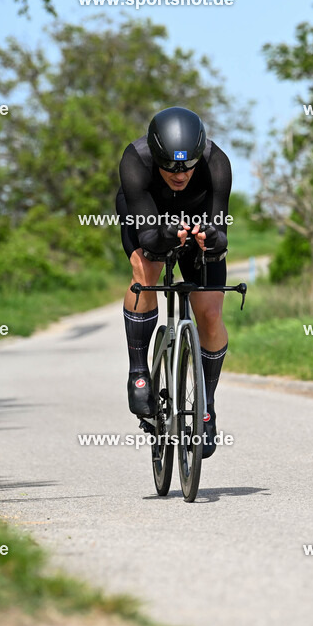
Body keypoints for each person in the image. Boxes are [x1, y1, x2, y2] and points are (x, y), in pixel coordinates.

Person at [116, 106, 231, 458]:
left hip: (197, 218)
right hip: (149, 217)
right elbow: (149, 237)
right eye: (169, 167)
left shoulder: (216, 163)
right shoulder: (135, 159)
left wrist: (210, 238)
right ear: (157, 156)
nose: (179, 175)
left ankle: (206, 403)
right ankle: (139, 371)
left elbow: (221, 235)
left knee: (209, 311)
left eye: (187, 166)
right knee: (146, 273)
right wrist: (165, 236)